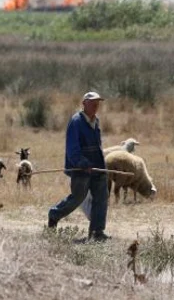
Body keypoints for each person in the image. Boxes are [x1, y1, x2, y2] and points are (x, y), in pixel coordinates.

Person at [47, 91, 110, 242]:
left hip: (97, 168)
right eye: (92, 102)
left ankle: (96, 232)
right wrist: (82, 164)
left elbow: (98, 146)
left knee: (102, 198)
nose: (95, 105)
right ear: (84, 103)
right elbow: (72, 149)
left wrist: (101, 165)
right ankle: (54, 215)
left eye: (97, 103)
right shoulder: (76, 122)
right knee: (78, 198)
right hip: (81, 169)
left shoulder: (96, 121)